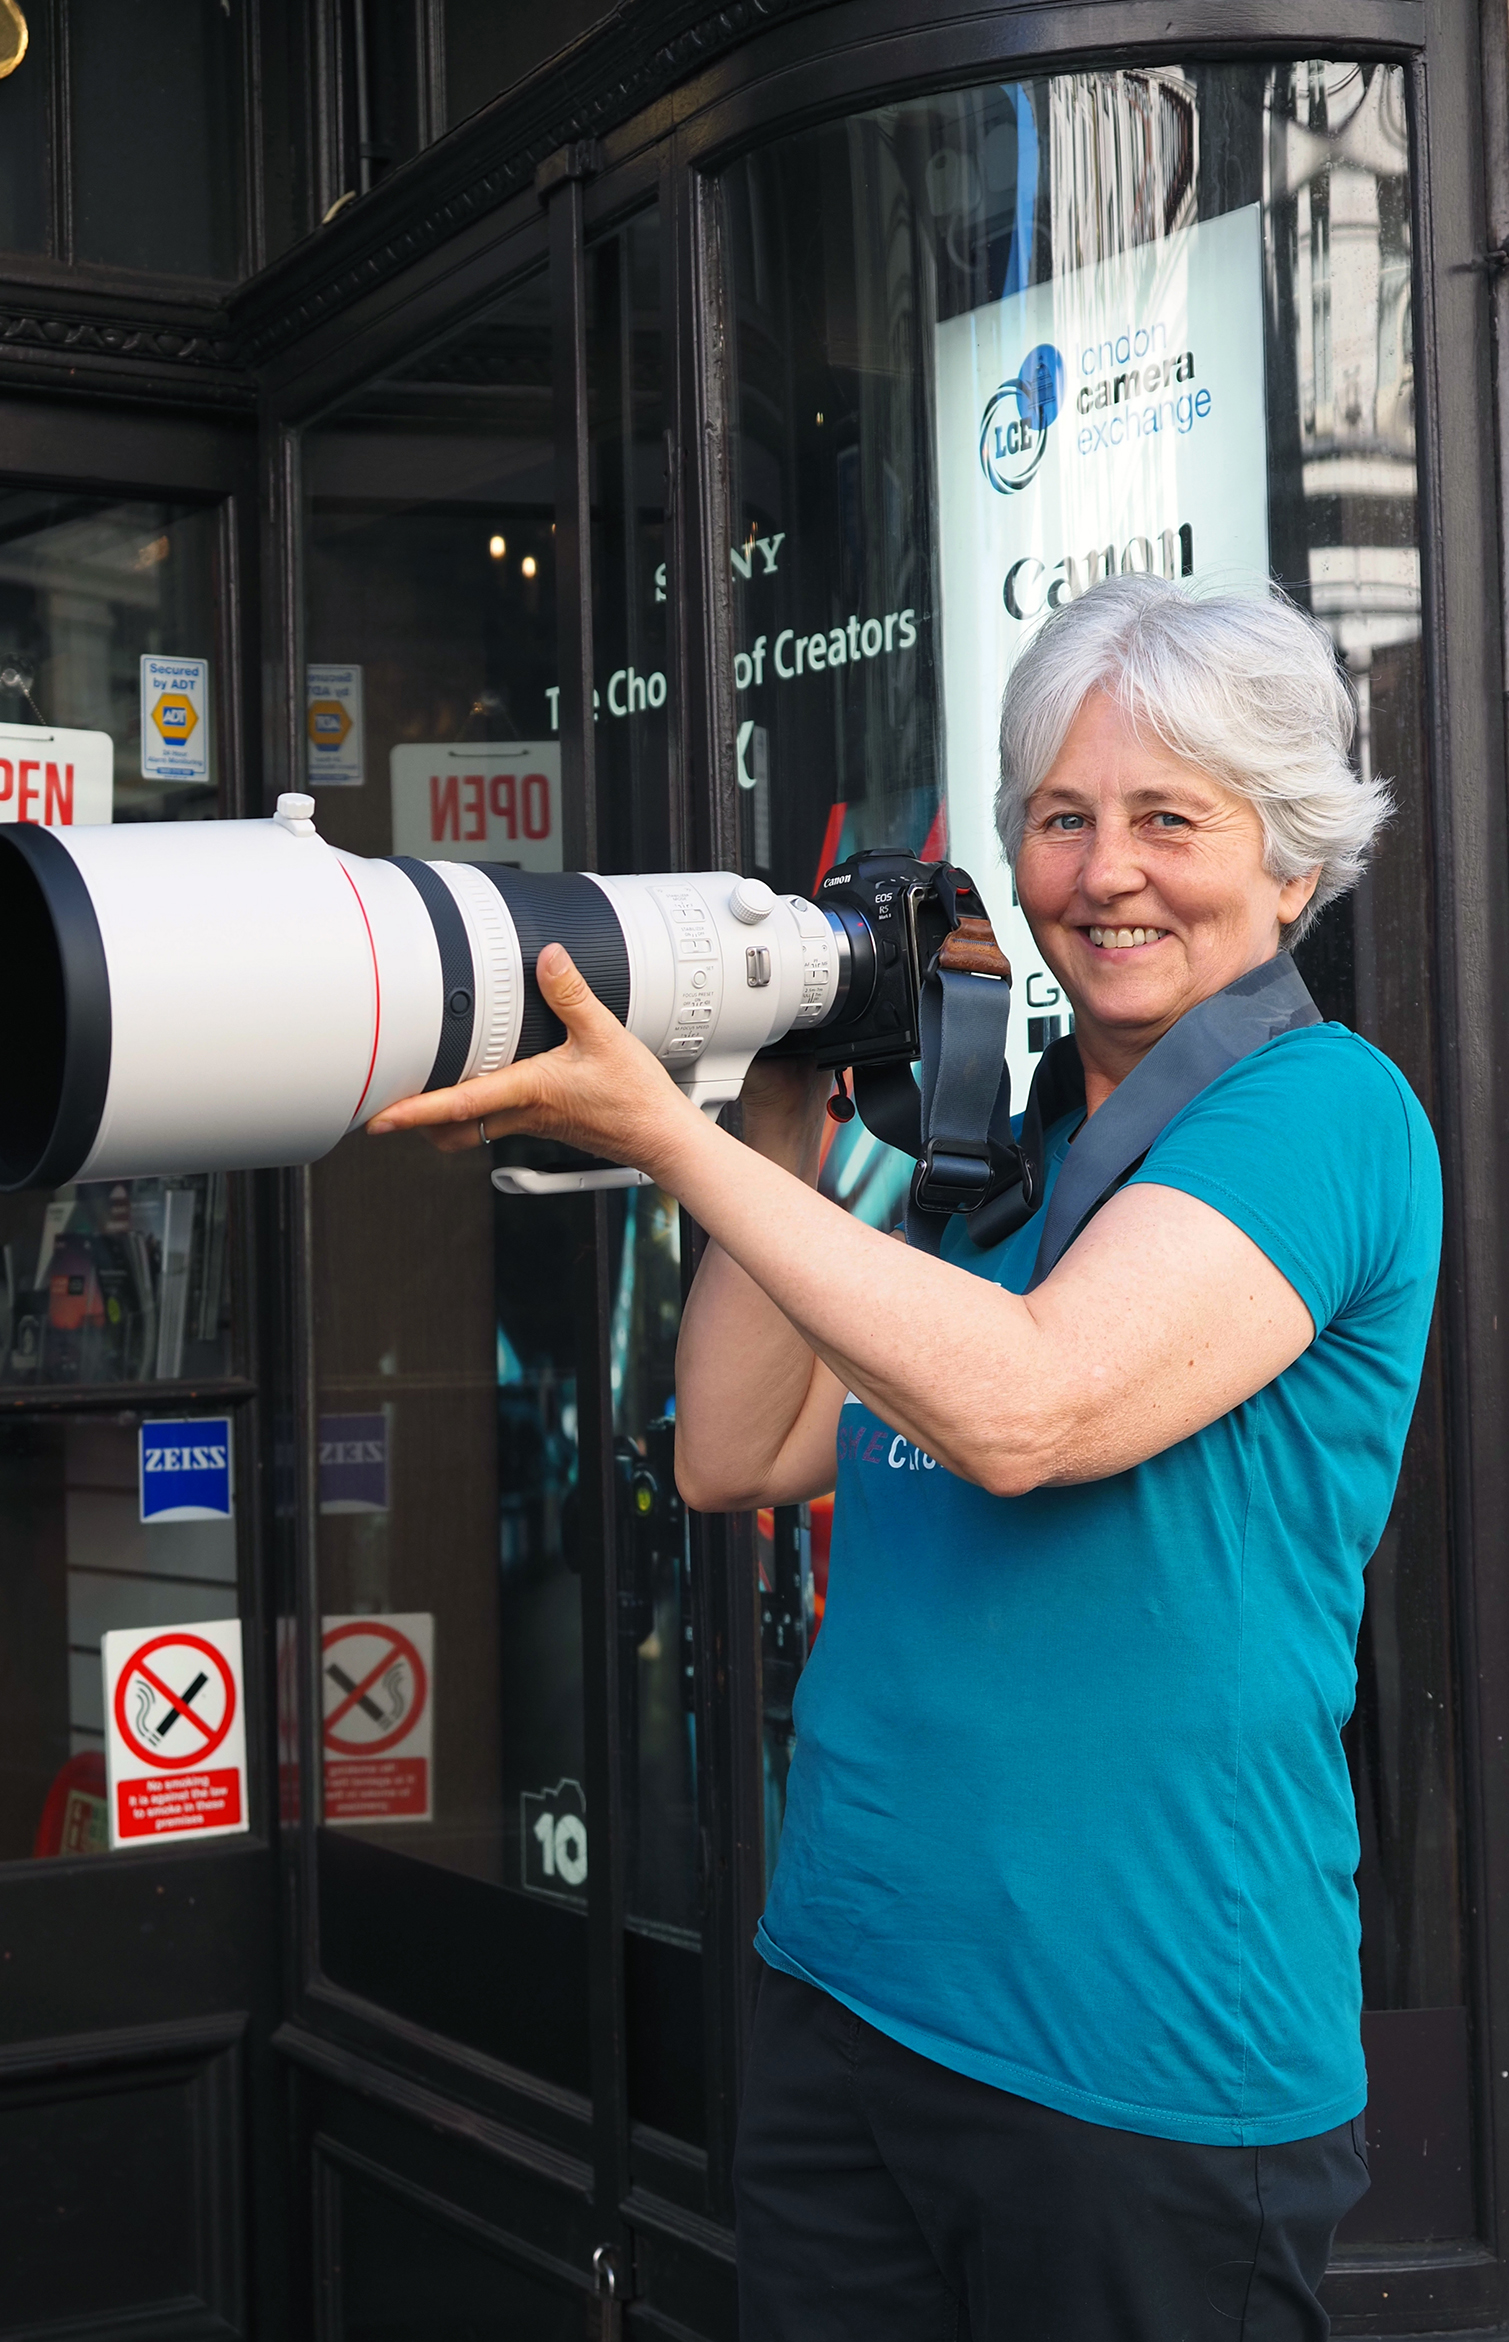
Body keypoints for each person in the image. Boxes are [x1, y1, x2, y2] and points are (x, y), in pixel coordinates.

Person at [367, 574, 1443, 2341]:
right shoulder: (997, 1163)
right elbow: (727, 1446)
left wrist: (658, 1133)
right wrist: (780, 1091)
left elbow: (1029, 1408)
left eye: (1169, 820)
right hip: (851, 1999)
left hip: (1138, 2060)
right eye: (1059, 820)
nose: (1104, 873)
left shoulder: (1321, 1113)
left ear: (1291, 862)